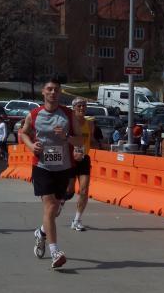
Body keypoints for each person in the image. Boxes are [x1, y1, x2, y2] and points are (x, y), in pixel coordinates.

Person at [20, 77, 83, 269]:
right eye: (49, 89)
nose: (53, 92)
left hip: (63, 167)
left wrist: (66, 137)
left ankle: (41, 232)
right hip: (42, 166)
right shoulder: (34, 114)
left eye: (56, 89)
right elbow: (23, 133)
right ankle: (55, 251)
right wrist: (32, 146)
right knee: (49, 206)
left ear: (60, 92)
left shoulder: (68, 115)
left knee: (55, 209)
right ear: (43, 92)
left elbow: (80, 140)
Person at [67, 97, 96, 232]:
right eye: (78, 106)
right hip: (71, 159)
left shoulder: (90, 124)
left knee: (84, 190)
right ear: (74, 108)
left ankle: (77, 220)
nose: (81, 108)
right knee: (69, 190)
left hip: (84, 158)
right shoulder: (69, 123)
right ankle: (61, 201)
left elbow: (91, 140)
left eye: (83, 106)